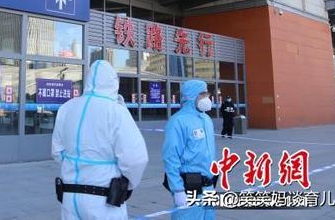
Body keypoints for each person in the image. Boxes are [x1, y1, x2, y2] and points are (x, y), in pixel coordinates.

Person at [52, 60, 148, 219]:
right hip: (103, 199)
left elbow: (57, 151)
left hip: (69, 196)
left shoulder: (67, 108)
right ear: (113, 82)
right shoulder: (116, 111)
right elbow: (135, 158)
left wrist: (75, 166)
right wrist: (129, 184)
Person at [162, 79, 216, 220]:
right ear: (192, 96)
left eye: (207, 94)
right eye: (203, 94)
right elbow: (171, 157)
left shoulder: (207, 120)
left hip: (208, 186)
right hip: (190, 187)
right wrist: (178, 189)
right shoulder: (178, 121)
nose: (207, 98)